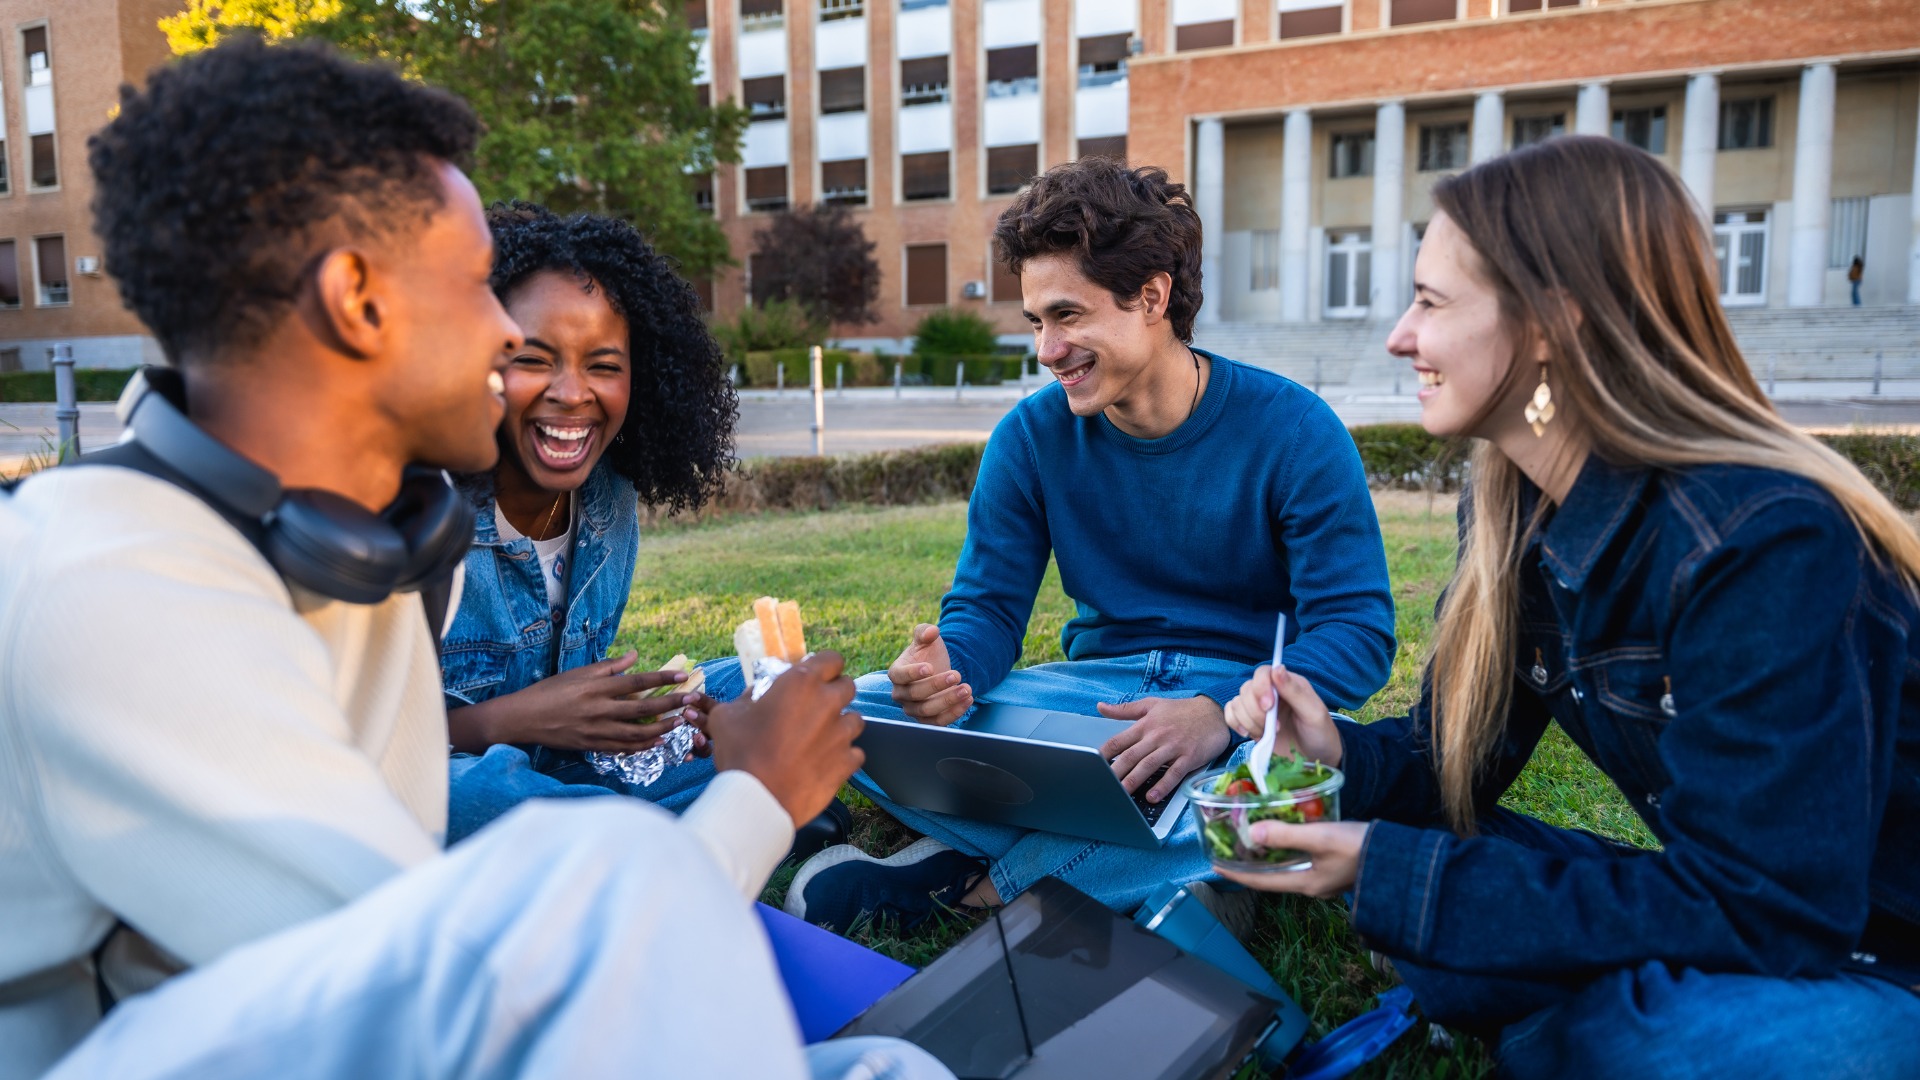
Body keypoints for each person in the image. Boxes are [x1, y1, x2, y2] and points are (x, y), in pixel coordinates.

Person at [0, 38, 946, 1080]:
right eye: (473, 286)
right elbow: (420, 1005)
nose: (506, 335)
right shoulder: (117, 596)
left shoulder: (372, 548)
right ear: (358, 300)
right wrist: (754, 800)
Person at [1215, 136, 1920, 1078]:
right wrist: (1334, 751)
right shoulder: (1514, 510)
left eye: (1430, 301)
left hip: (1874, 951)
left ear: (1551, 322)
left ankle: (1560, 1021)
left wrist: (1400, 881)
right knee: (1412, 860)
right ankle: (1554, 1011)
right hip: (1731, 903)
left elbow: (1773, 910)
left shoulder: (1760, 538)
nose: (1399, 336)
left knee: (1654, 1037)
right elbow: (1451, 764)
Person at [784, 159, 1397, 931]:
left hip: (1241, 713)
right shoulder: (1029, 438)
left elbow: (1358, 632)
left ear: (1152, 297)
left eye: (1067, 316)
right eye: (1036, 321)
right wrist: (948, 671)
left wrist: (1217, 714)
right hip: (1094, 709)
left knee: (1298, 784)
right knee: (853, 713)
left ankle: (987, 889)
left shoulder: (1296, 430)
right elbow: (986, 611)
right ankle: (1174, 868)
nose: (1047, 350)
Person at [440, 201, 744, 842]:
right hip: (447, 778)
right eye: (533, 359)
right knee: (470, 796)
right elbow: (361, 746)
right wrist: (510, 720)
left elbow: (572, 718)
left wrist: (644, 717)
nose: (573, 393)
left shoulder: (608, 498)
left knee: (756, 687)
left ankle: (633, 829)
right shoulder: (421, 510)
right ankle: (717, 815)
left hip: (563, 771)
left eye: (603, 366)